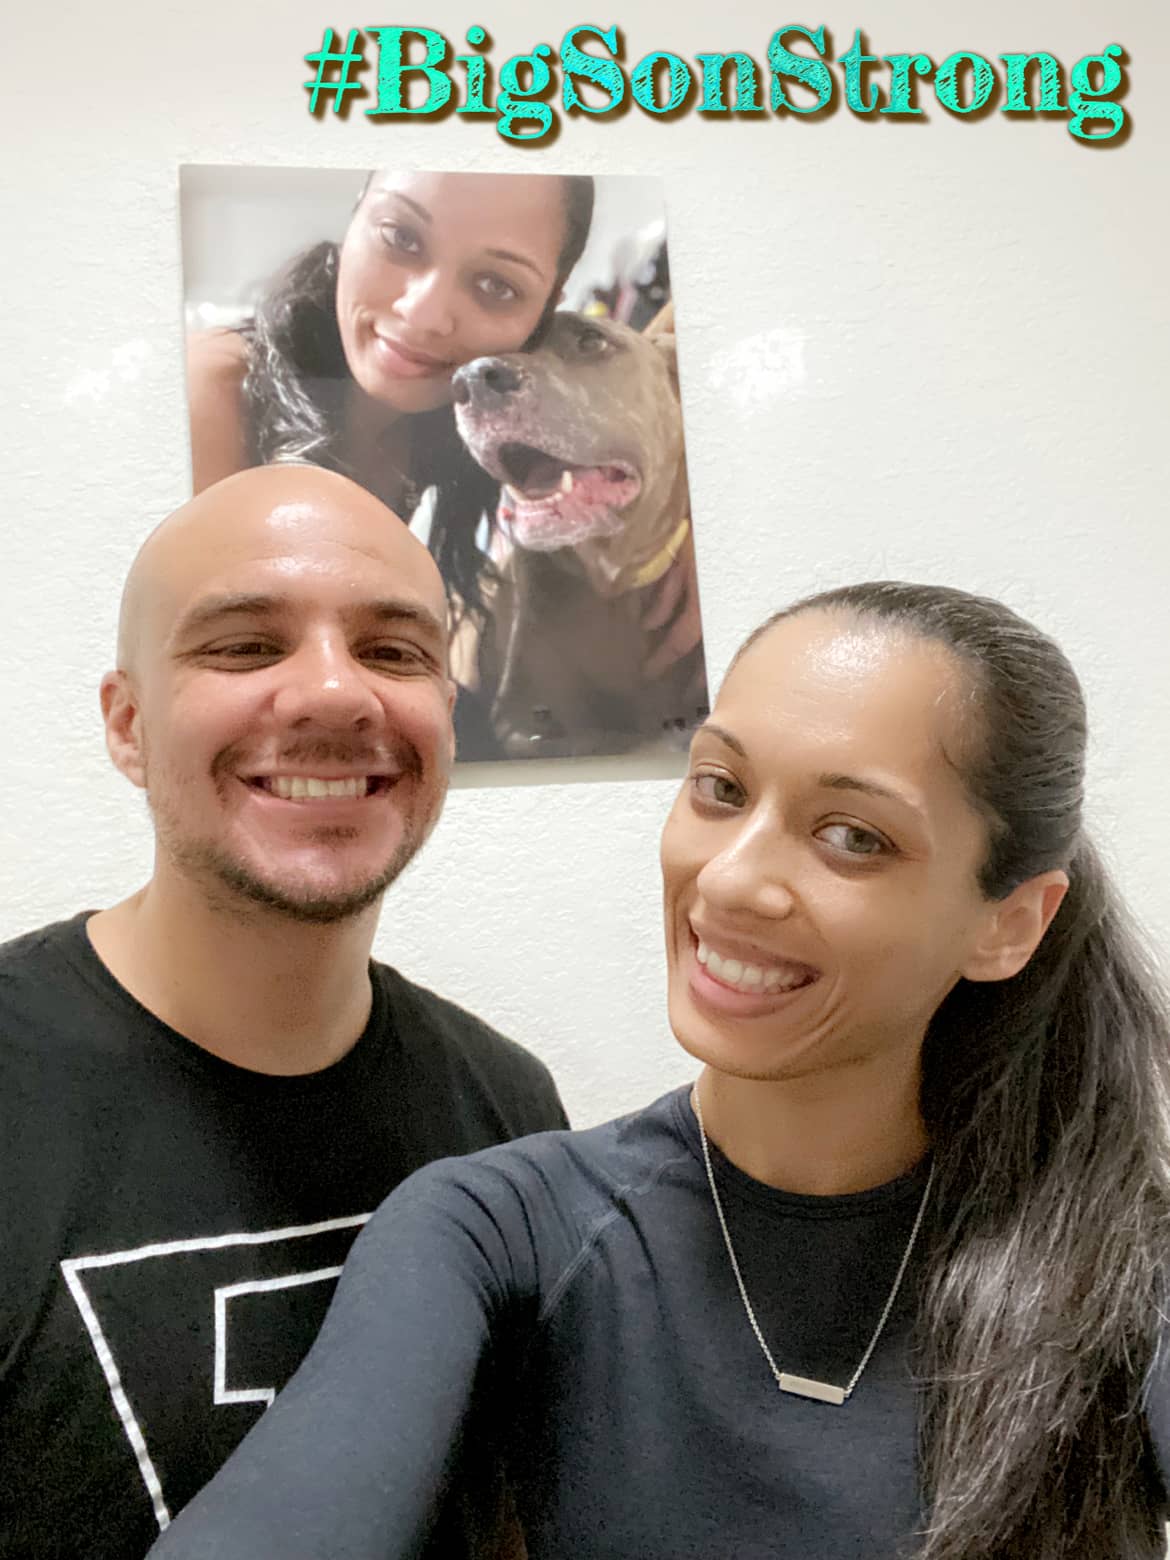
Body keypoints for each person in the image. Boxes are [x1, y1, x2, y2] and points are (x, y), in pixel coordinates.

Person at [149, 579, 1170, 1559]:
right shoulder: (495, 1229)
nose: (729, 879)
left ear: (1008, 924)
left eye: (852, 836)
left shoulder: (1126, 1256)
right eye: (720, 789)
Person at [0, 465, 568, 1559]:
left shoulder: (509, 1107)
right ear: (127, 725)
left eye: (394, 651)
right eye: (247, 645)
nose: (336, 694)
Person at [186, 169, 595, 655]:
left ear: (547, 307)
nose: (422, 314)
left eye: (496, 285)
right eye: (401, 238)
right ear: (356, 213)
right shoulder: (211, 392)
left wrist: (691, 539)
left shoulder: (468, 416)